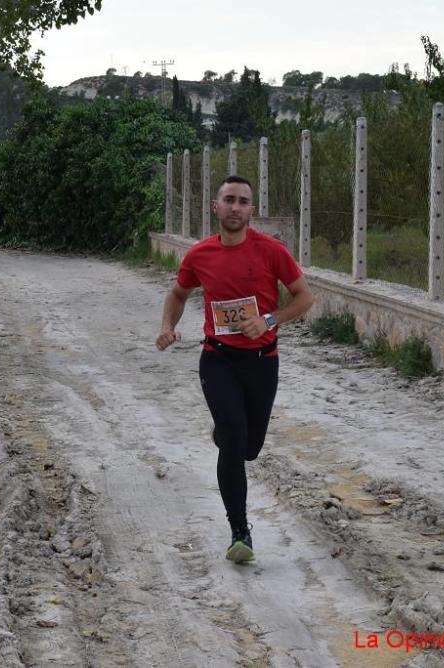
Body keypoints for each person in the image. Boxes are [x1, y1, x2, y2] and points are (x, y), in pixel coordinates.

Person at [155, 175, 314, 564]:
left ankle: (228, 432)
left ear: (250, 211)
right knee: (232, 440)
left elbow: (304, 297)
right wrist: (167, 326)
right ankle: (239, 532)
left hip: (262, 362)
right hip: (218, 358)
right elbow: (178, 292)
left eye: (243, 201)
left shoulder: (271, 251)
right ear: (215, 206)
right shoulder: (200, 255)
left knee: (250, 447)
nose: (235, 207)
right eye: (229, 200)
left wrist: (270, 320)